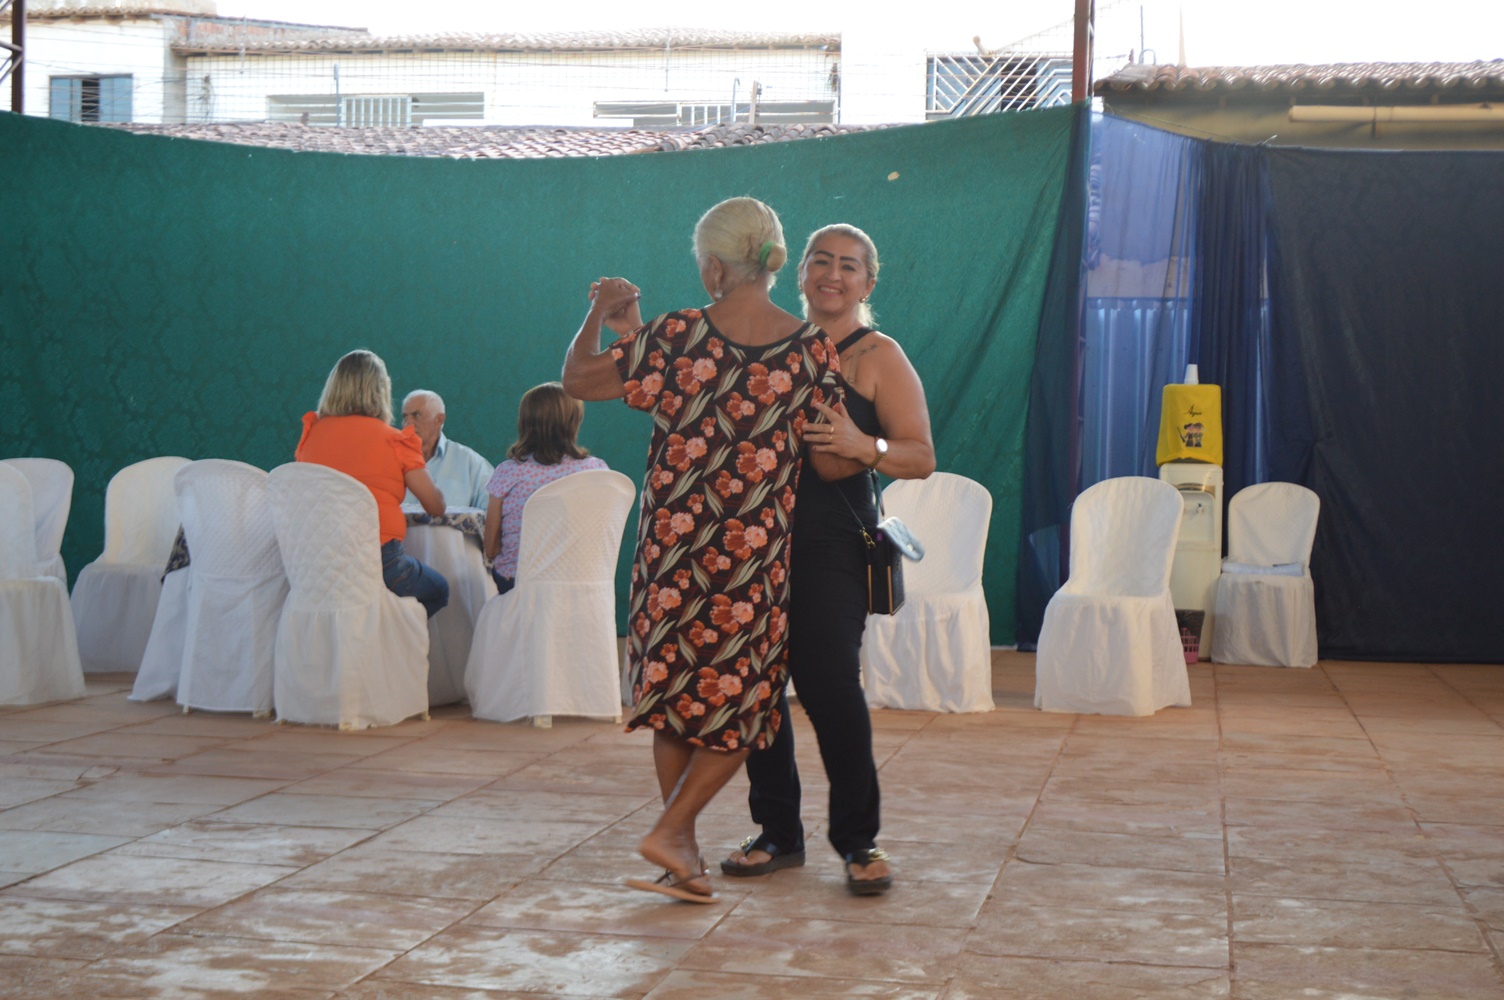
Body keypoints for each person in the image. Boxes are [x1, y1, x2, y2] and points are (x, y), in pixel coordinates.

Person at [562, 197, 845, 904]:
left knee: (674, 697)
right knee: (744, 703)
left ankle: (675, 841)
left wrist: (601, 312)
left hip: (670, 551)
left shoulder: (678, 336)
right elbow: (834, 462)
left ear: (715, 266)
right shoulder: (810, 348)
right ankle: (676, 841)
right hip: (749, 556)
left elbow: (578, 380)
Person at [721, 223, 935, 895]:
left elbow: (921, 456)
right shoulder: (768, 344)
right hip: (755, 547)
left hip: (832, 546)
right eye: (821, 261)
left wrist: (860, 443)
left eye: (848, 265)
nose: (832, 274)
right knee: (759, 691)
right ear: (801, 273)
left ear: (868, 283)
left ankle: (859, 840)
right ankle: (778, 833)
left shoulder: (878, 356)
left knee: (829, 688)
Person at [296, 350, 451, 619]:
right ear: (380, 391)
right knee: (439, 589)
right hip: (379, 564)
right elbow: (436, 505)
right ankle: (387, 645)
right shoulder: (395, 441)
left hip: (316, 565)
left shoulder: (310, 436)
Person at [482, 381, 609, 594]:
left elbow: (491, 548)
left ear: (524, 422)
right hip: (581, 582)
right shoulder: (597, 471)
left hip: (519, 583)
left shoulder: (508, 473)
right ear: (574, 422)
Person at [400, 389, 495, 509]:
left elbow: (492, 514)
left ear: (439, 419)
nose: (408, 423)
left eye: (416, 415)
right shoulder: (390, 461)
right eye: (404, 417)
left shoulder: (469, 463)